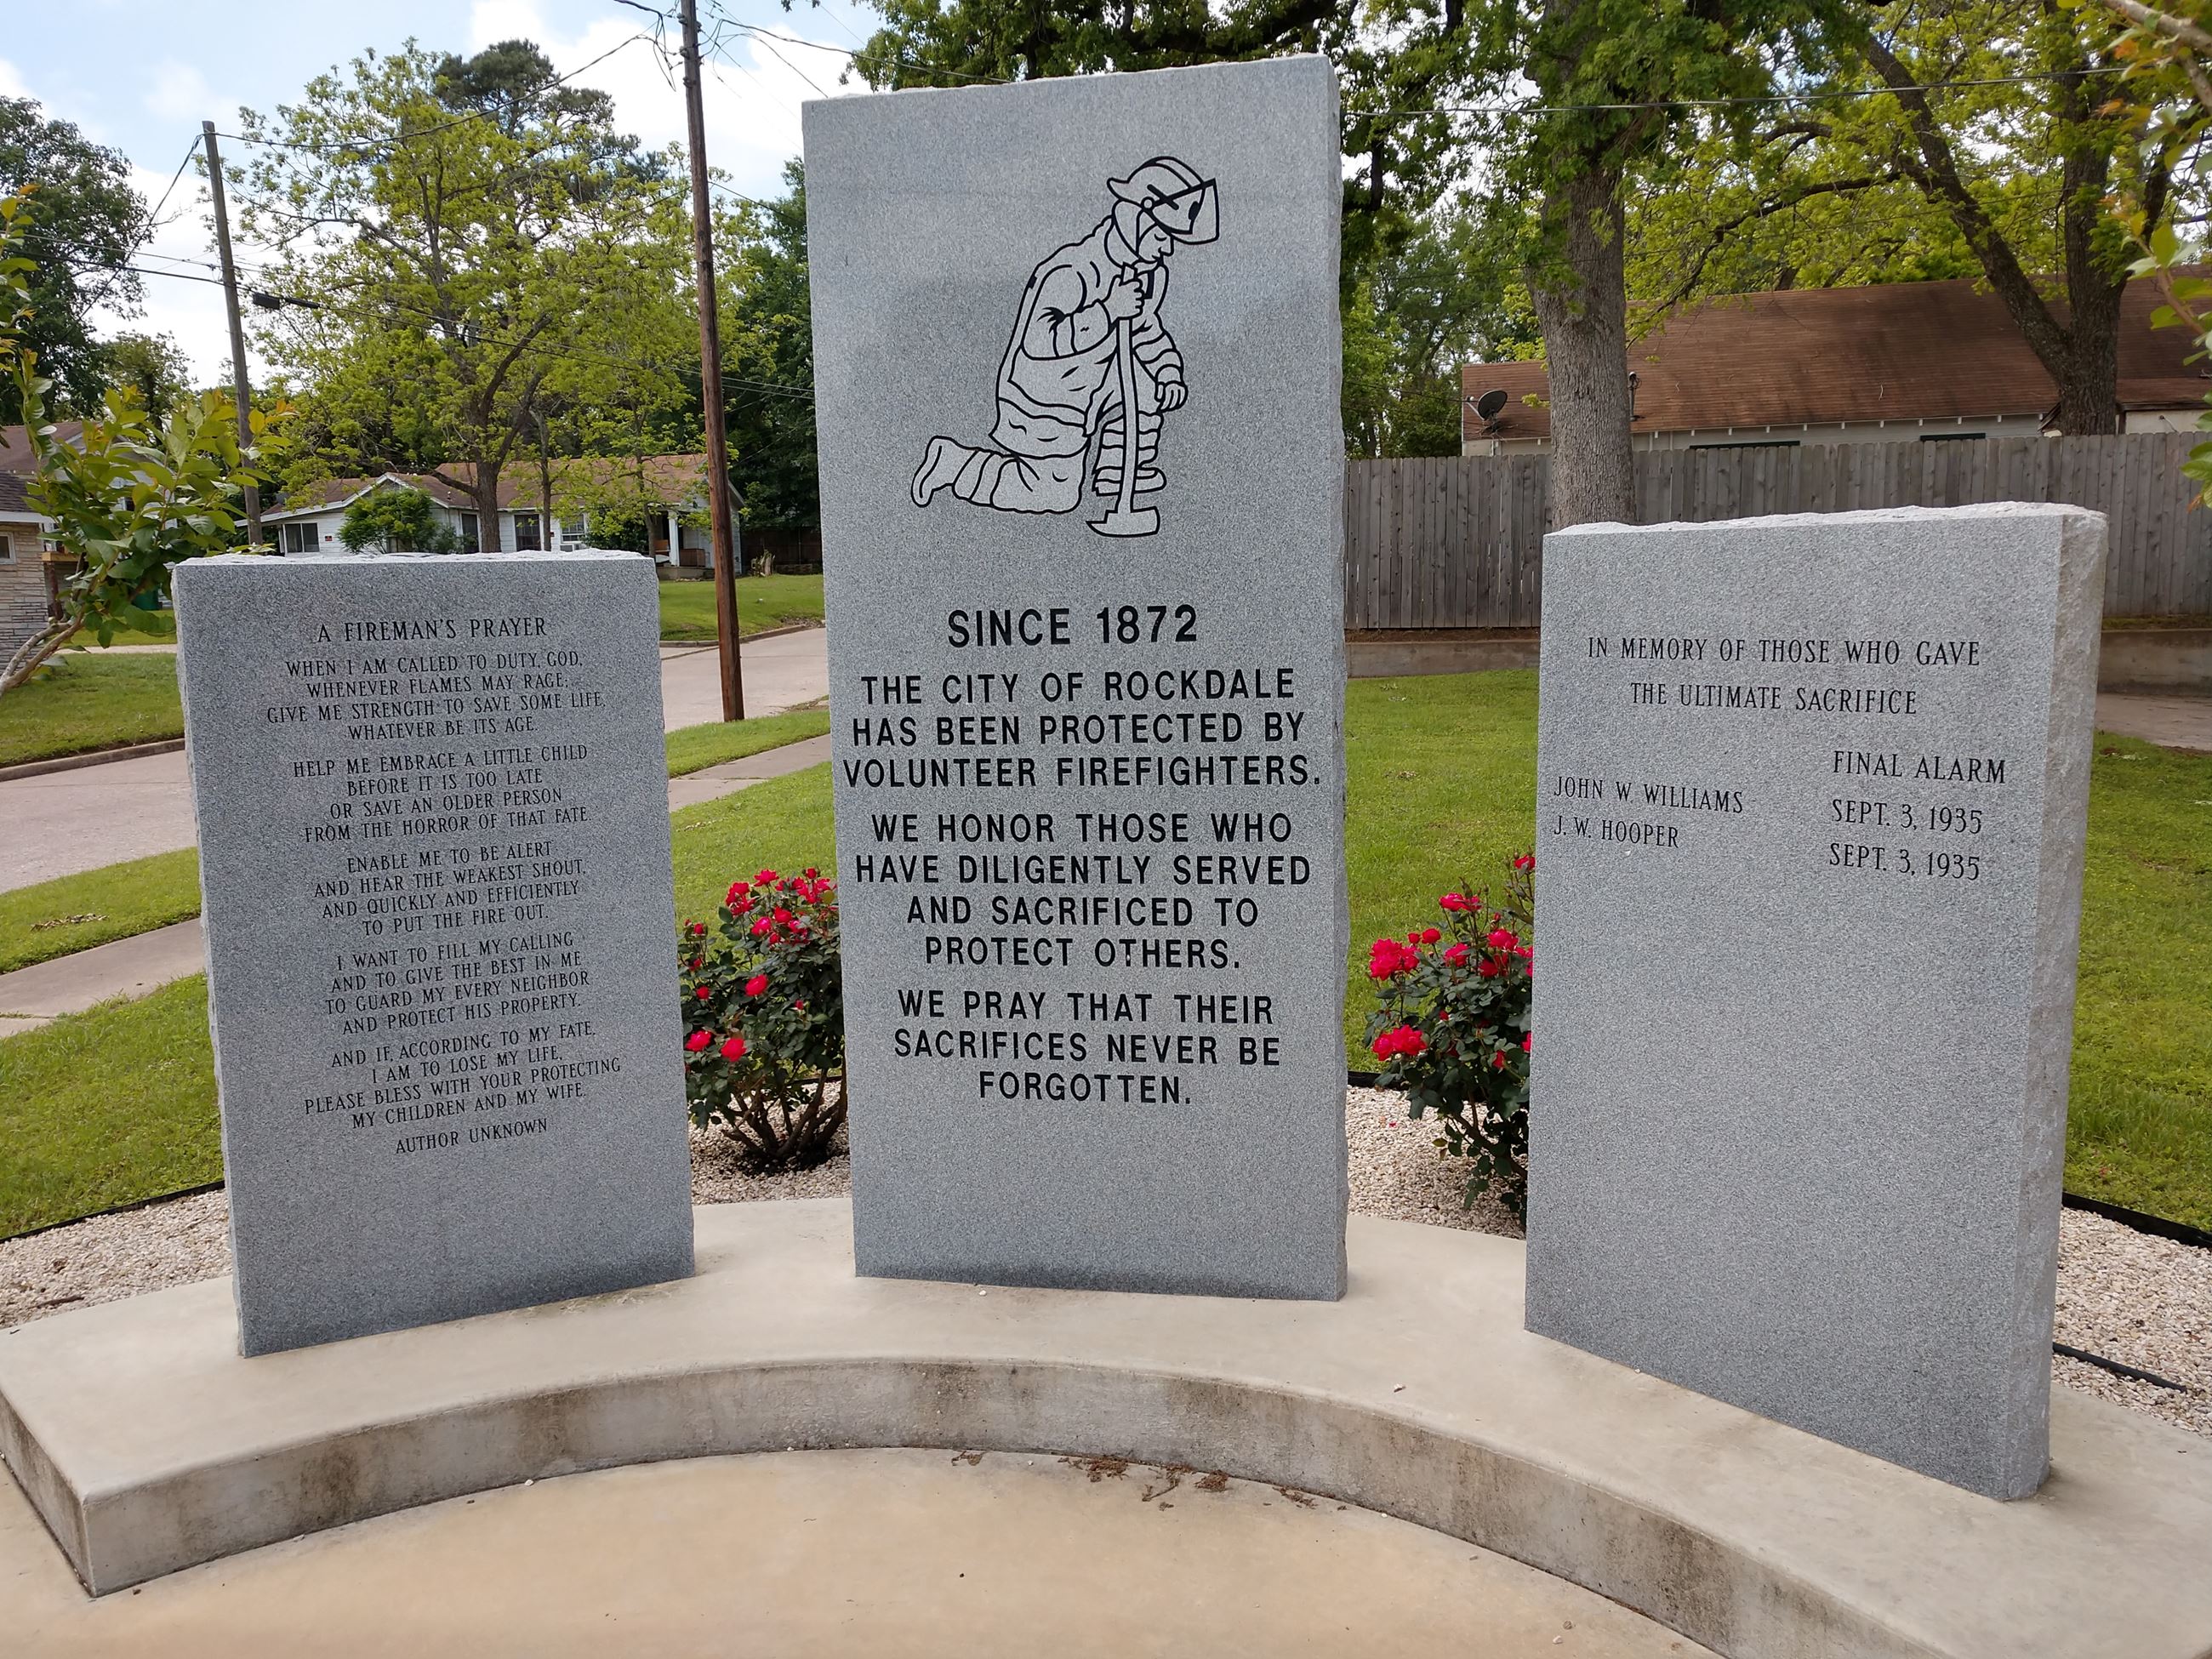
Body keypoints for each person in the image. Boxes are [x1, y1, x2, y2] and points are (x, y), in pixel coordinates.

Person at [912, 156, 1218, 521]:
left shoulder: (1149, 275)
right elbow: (1040, 339)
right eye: (1162, 236)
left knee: (1145, 389)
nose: (1167, 248)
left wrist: (1168, 372)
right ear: (1138, 216)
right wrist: (1108, 311)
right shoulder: (1072, 271)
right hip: (1046, 393)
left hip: (1098, 380)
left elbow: (1146, 329)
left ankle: (1118, 474)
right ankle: (954, 464)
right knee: (1053, 493)